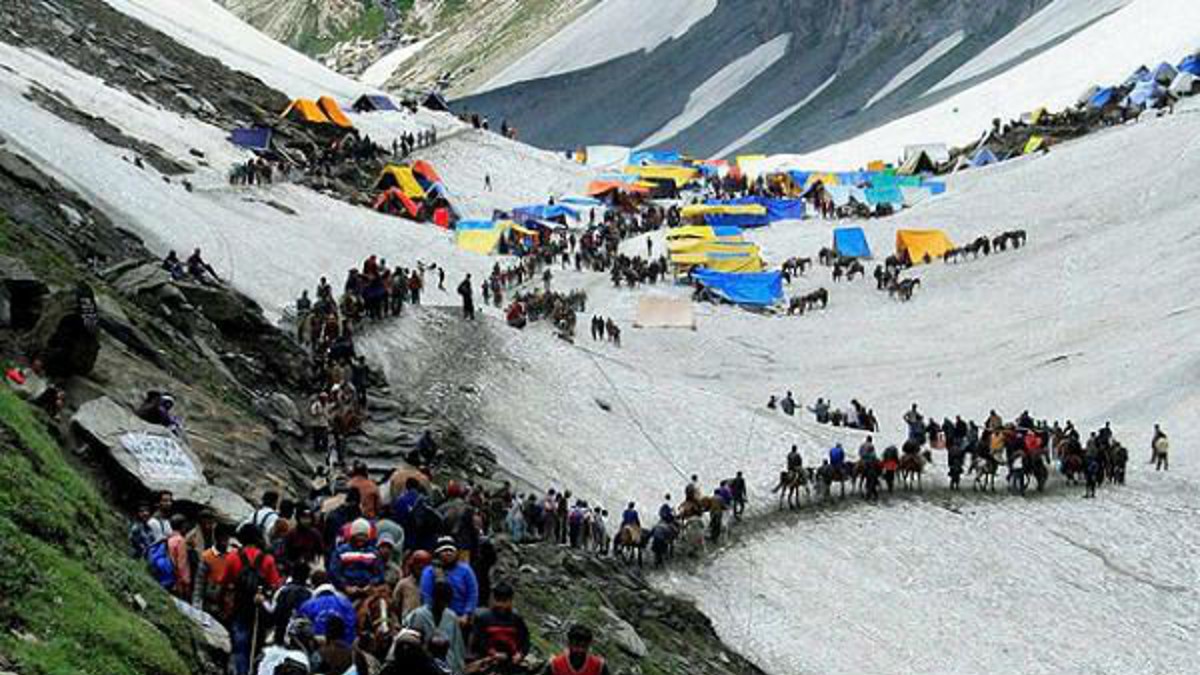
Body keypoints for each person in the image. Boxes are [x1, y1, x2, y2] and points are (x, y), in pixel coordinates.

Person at [220, 524, 284, 675]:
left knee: (240, 648)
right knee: (257, 648)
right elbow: (275, 585)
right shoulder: (267, 559)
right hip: (259, 611)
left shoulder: (233, 557)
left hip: (239, 608)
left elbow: (224, 582)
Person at [403, 580, 466, 674]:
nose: (442, 604)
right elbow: (411, 646)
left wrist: (459, 670)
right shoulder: (419, 615)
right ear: (434, 598)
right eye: (440, 600)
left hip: (448, 667)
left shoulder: (451, 617)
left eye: (445, 601)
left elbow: (457, 647)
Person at [469, 581, 530, 671]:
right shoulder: (483, 619)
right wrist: (493, 653)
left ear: (510, 601)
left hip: (512, 660)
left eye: (504, 601)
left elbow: (525, 640)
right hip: (488, 660)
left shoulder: (517, 619)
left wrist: (520, 654)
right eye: (498, 600)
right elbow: (478, 641)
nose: (501, 605)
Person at [420, 537, 479, 622]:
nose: (448, 553)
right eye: (445, 550)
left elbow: (472, 594)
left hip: (461, 617)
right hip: (436, 617)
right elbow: (426, 596)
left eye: (451, 550)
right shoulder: (429, 572)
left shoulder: (466, 570)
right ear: (438, 553)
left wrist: (466, 614)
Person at [329, 518, 385, 597]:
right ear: (353, 535)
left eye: (364, 536)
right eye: (358, 535)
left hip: (368, 589)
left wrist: (371, 584)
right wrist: (345, 586)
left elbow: (380, 574)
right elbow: (334, 572)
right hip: (346, 590)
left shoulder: (373, 553)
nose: (361, 538)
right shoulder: (341, 551)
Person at [296, 574, 356, 644]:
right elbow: (351, 627)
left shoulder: (307, 605)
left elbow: (301, 631)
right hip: (343, 649)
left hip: (315, 650)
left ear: (313, 585)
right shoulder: (346, 603)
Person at [193, 523, 233, 618]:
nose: (225, 542)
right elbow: (199, 583)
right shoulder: (207, 556)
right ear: (216, 538)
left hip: (226, 605)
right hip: (209, 603)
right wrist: (196, 606)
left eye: (226, 538)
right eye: (222, 538)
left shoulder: (232, 556)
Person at [542, 624, 610, 675]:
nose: (580, 650)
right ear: (569, 644)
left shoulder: (599, 667)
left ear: (588, 646)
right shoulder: (555, 665)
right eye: (576, 645)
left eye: (584, 646)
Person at [395, 550, 433, 617]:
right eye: (418, 565)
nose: (420, 568)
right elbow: (394, 607)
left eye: (424, 566)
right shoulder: (403, 584)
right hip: (407, 623)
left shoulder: (433, 584)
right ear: (412, 566)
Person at [166, 514, 192, 600]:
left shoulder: (169, 538)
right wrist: (186, 582)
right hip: (178, 580)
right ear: (183, 526)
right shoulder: (180, 540)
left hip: (169, 574)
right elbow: (182, 564)